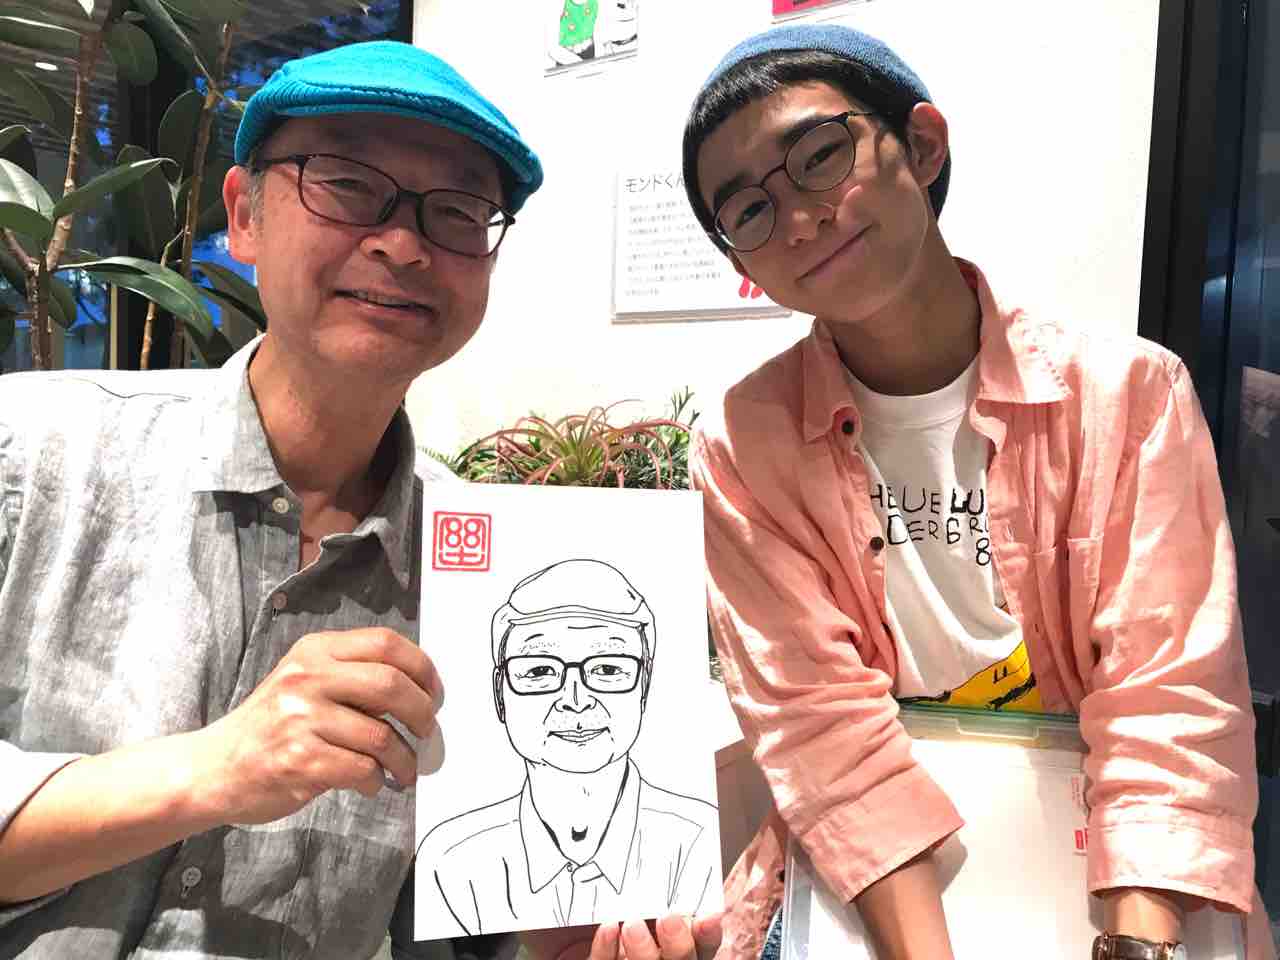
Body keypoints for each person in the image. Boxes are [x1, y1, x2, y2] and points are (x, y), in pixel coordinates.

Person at [0, 40, 704, 960]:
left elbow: (456, 919)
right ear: (244, 215)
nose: (403, 244)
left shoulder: (487, 576)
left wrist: (570, 935)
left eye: (458, 211)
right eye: (345, 184)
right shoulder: (31, 453)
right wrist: (216, 767)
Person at [680, 23, 1270, 960]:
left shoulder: (1126, 395)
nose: (797, 219)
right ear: (742, 263)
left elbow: (1168, 697)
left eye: (820, 156)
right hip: (877, 888)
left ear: (921, 144)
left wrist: (1138, 946)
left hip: (1112, 874)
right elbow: (817, 728)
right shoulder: (743, 442)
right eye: (749, 209)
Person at [420, 559, 719, 936]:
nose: (575, 700)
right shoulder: (452, 863)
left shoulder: (698, 844)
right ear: (500, 693)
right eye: (539, 670)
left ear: (644, 685)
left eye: (608, 669)